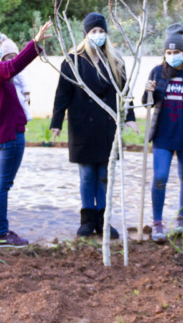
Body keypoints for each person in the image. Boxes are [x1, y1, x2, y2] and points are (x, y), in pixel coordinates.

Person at [51, 12, 139, 238]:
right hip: (82, 127)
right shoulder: (72, 61)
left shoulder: (115, 61)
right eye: (93, 31)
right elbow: (62, 94)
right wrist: (56, 122)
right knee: (87, 175)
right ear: (85, 34)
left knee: (104, 176)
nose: (98, 35)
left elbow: (125, 93)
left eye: (101, 31)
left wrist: (129, 118)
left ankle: (104, 220)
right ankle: (87, 221)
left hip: (107, 127)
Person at [0, 18, 52, 247]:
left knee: (1, 182)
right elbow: (13, 66)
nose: (1, 47)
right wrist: (35, 44)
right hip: (10, 133)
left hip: (5, 131)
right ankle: (3, 232)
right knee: (4, 184)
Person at [143, 23, 183, 243]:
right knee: (159, 177)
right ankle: (157, 223)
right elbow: (147, 104)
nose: (172, 56)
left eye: (176, 52)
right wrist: (147, 92)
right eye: (168, 52)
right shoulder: (157, 72)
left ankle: (182, 219)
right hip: (162, 135)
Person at [2, 35, 33, 122]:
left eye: (14, 56)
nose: (12, 59)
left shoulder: (19, 69)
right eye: (9, 56)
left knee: (21, 103)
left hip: (18, 90)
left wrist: (26, 92)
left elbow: (24, 79)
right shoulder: (2, 69)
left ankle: (25, 118)